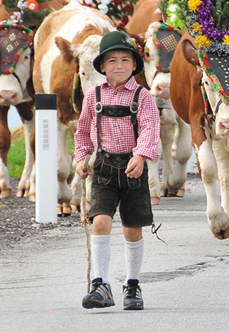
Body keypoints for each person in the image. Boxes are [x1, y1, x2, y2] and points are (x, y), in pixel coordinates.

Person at [75, 30, 160, 310]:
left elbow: (150, 128)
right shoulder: (93, 96)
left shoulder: (143, 96)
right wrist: (81, 157)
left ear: (135, 64)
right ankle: (100, 284)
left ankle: (132, 286)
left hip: (133, 168)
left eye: (125, 60)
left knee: (132, 228)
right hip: (103, 168)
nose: (119, 66)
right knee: (100, 221)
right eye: (112, 61)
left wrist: (141, 155)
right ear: (101, 66)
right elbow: (83, 132)